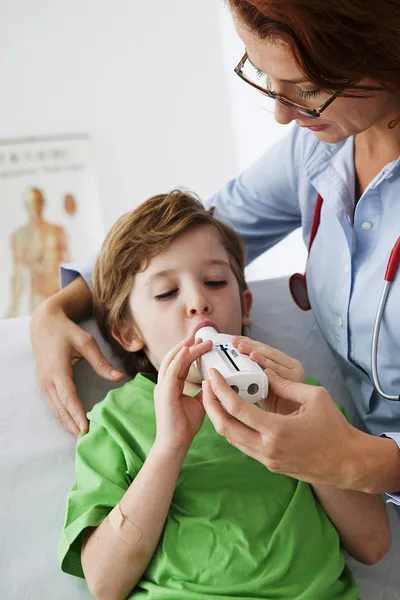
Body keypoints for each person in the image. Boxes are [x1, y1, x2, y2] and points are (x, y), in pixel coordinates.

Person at [31, 0, 400, 502]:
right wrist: (56, 308)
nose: (281, 114)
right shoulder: (318, 145)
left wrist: (351, 462)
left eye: (309, 89)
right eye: (264, 75)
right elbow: (183, 237)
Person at [58, 189, 389, 600]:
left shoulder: (304, 402)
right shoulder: (116, 422)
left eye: (215, 282)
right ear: (128, 332)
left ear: (245, 306)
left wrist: (307, 442)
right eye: (166, 293)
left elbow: (373, 545)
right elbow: (105, 582)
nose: (199, 302)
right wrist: (169, 447)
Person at [6, 187, 70, 318]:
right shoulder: (19, 236)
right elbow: (18, 272)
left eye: (37, 201)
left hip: (59, 293)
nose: (34, 206)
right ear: (25, 206)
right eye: (30, 203)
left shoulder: (57, 231)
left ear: (43, 203)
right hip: (37, 297)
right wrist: (13, 306)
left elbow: (67, 261)